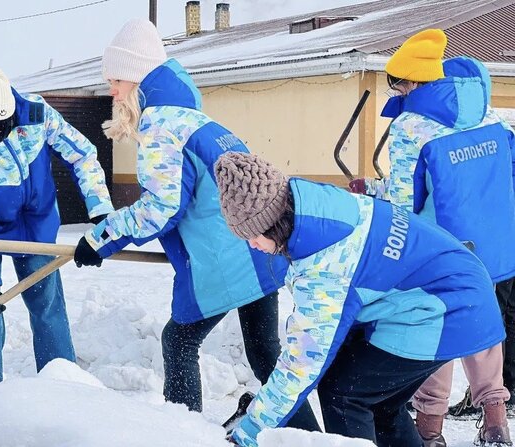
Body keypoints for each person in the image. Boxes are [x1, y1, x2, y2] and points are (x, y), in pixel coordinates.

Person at [71, 18, 319, 430]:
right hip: (259, 248)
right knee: (264, 353)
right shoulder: (198, 120)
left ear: (135, 77)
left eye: (116, 80)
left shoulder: (161, 125)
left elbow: (160, 207)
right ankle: (309, 438)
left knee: (179, 341)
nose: (111, 90)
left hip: (225, 257)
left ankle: (182, 432)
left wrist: (100, 238)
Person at [213, 151, 505, 447]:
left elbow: (302, 363)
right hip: (456, 290)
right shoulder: (317, 207)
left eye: (254, 234)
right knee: (380, 403)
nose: (252, 244)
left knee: (344, 393)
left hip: (444, 308)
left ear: (274, 221)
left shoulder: (323, 262)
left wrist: (252, 429)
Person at [349, 29, 515, 445]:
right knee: (483, 324)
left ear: (411, 82)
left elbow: (406, 202)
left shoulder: (412, 126)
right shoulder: (490, 114)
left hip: (444, 248)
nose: (397, 91)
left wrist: (379, 204)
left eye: (397, 83)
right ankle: (495, 423)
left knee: (435, 328)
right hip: (495, 243)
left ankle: (430, 430)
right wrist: (372, 187)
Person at [0, 67, 114, 383]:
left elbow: (83, 155)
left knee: (46, 301)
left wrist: (100, 210)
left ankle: (60, 379)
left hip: (36, 221)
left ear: (8, 115)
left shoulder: (36, 115)